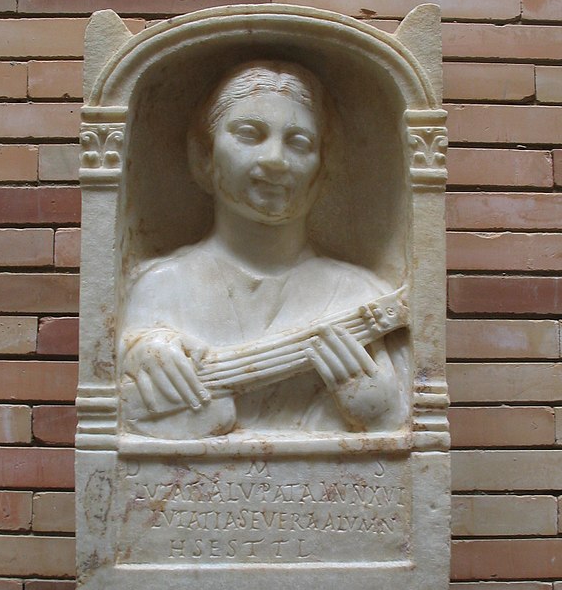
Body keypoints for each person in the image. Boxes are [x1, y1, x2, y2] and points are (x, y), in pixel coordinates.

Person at [119, 61, 408, 438]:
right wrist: (136, 355)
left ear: (321, 169)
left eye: (299, 142)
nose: (275, 159)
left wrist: (383, 417)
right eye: (249, 134)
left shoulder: (364, 296)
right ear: (203, 156)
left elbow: (410, 449)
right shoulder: (158, 292)